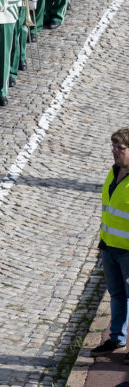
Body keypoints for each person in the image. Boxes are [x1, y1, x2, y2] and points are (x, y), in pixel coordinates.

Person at [93, 129, 129, 358]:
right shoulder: (113, 172)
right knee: (116, 295)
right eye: (113, 146)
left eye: (121, 148)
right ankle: (116, 339)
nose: (115, 151)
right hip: (109, 248)